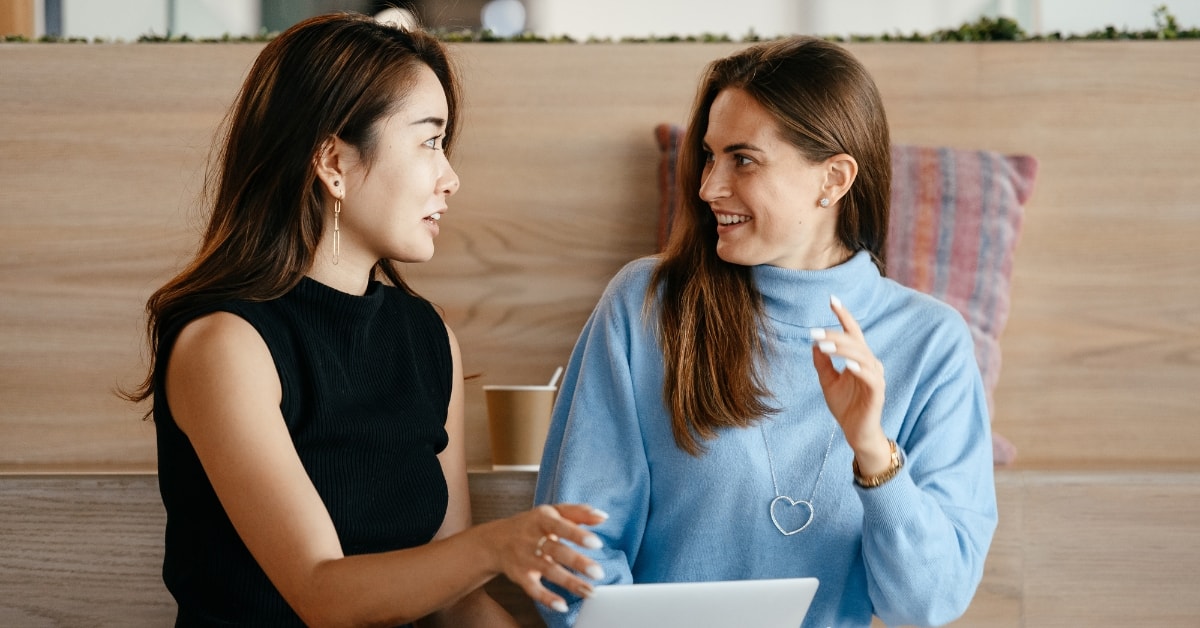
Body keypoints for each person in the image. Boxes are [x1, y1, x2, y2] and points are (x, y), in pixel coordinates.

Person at [123, 13, 605, 627]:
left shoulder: (428, 338)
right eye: (429, 141)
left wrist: (483, 560)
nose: (450, 178)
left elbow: (452, 600)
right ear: (332, 162)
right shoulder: (226, 345)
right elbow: (322, 594)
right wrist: (494, 546)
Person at [534, 37, 998, 628]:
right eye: (708, 155)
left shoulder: (933, 344)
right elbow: (572, 554)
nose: (708, 188)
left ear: (833, 179)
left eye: (743, 159)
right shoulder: (646, 305)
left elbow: (926, 604)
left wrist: (873, 453)